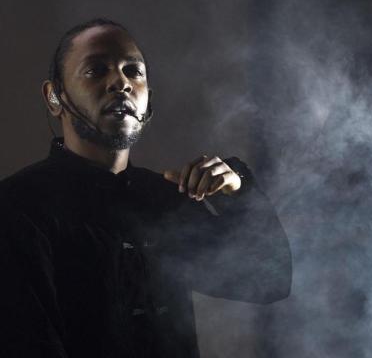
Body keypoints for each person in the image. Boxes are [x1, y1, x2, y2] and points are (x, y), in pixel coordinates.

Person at [0, 18, 291, 358]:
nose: (120, 83)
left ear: (148, 96)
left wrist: (238, 192)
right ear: (54, 97)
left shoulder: (164, 199)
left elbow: (267, 280)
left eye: (133, 72)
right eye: (95, 70)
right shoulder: (18, 207)